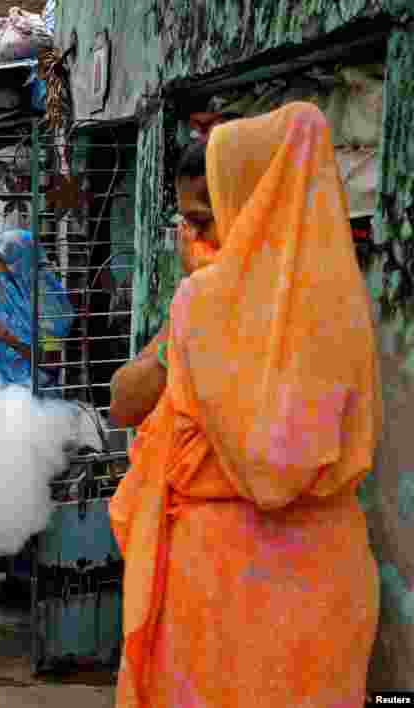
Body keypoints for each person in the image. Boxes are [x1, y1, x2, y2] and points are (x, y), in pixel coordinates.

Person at [107, 103, 381, 708]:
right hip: (329, 572)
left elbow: (126, 401)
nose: (197, 238)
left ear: (252, 207)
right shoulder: (345, 301)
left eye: (205, 221)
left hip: (227, 584)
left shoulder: (205, 305)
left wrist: (191, 296)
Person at [0, 229, 73, 393]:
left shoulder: (47, 298)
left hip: (32, 395)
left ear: (23, 258)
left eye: (2, 259)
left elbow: (49, 363)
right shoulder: (1, 287)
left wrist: (8, 339)